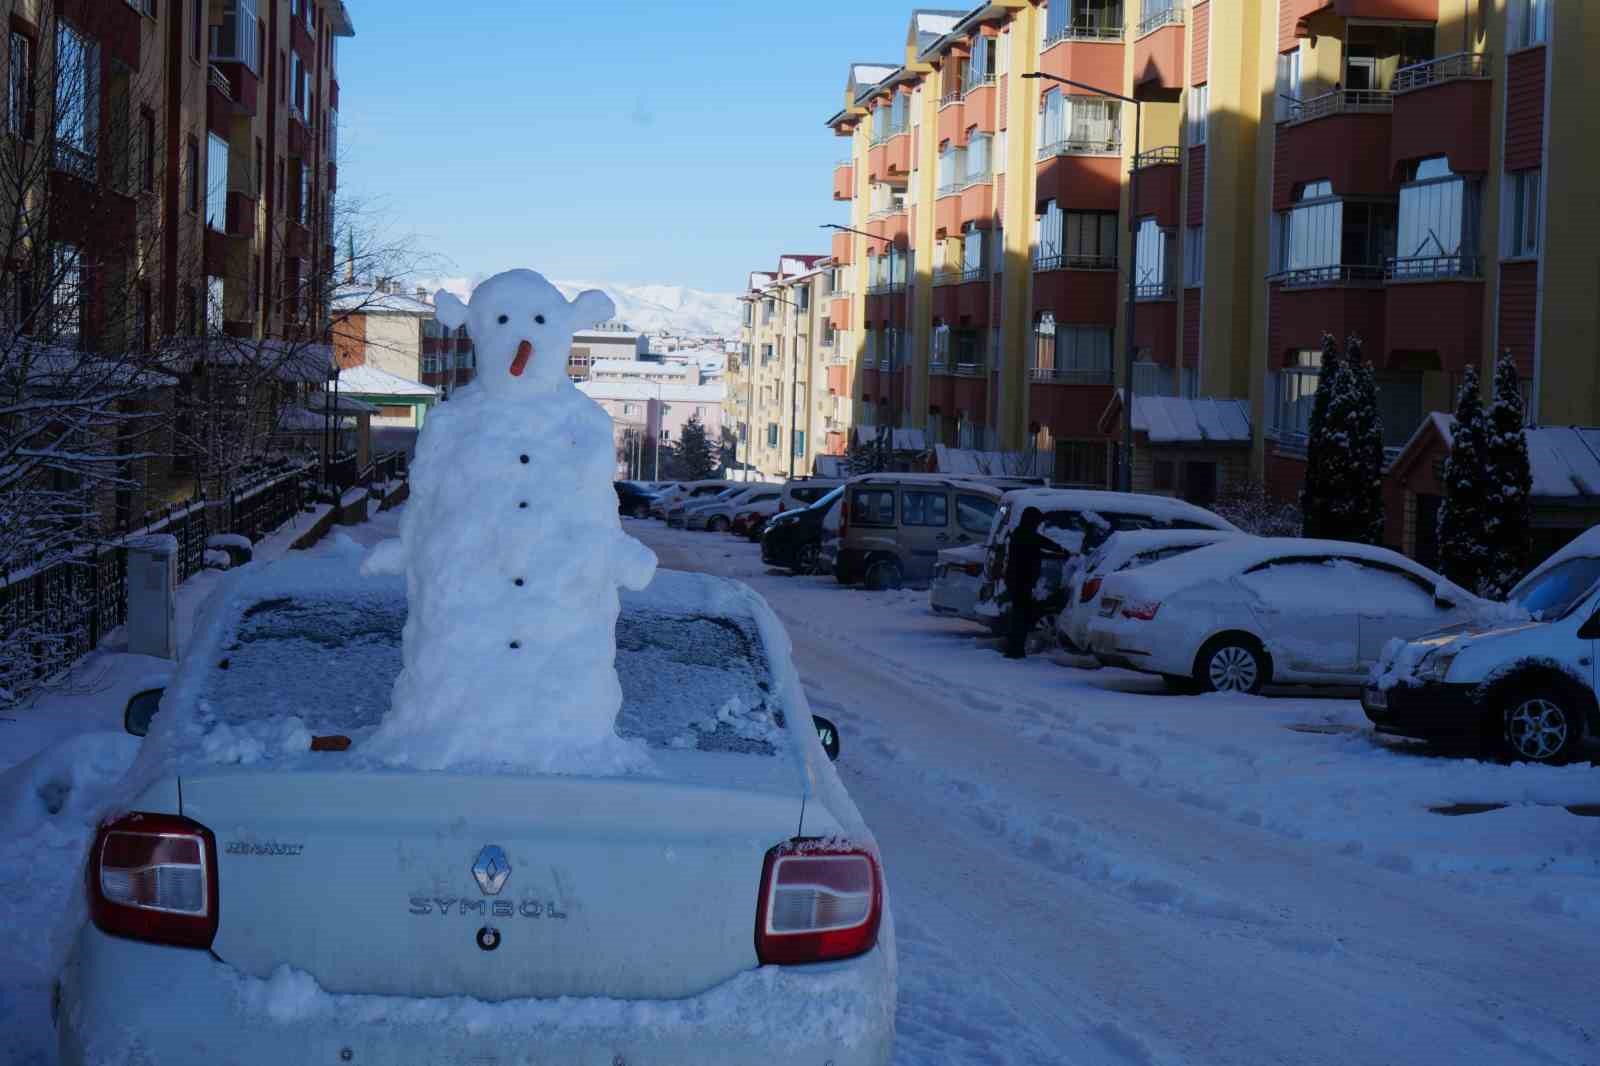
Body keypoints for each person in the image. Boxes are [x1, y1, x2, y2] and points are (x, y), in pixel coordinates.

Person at [1003, 507, 1069, 660]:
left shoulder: (1022, 533)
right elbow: (1039, 544)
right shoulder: (1024, 535)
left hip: (1019, 581)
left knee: (1020, 615)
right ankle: (1015, 650)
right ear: (1031, 521)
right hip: (1020, 581)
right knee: (1021, 616)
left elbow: (1038, 546)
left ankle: (1015, 648)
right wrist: (1060, 550)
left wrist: (1057, 551)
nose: (1038, 525)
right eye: (1037, 522)